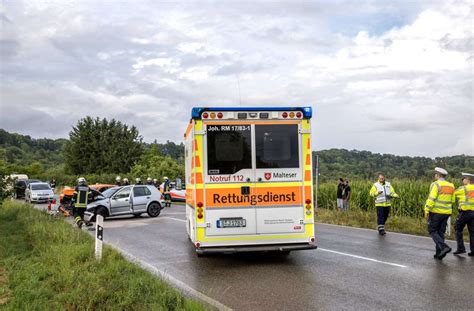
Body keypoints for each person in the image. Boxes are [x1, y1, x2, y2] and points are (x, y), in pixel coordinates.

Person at [424, 167, 455, 260]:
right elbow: (452, 200)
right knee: (440, 232)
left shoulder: (436, 184)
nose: (434, 175)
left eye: (435, 174)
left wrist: (426, 209)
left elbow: (431, 198)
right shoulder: (451, 185)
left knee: (432, 230)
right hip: (447, 212)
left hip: (436, 212)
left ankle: (444, 247)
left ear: (438, 175)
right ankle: (439, 253)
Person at [453, 172, 474, 256]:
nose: (462, 180)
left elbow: (453, 193)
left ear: (468, 180)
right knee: (472, 232)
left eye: (463, 179)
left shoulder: (463, 188)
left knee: (457, 228)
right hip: (473, 213)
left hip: (465, 212)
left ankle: (461, 248)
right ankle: (473, 250)